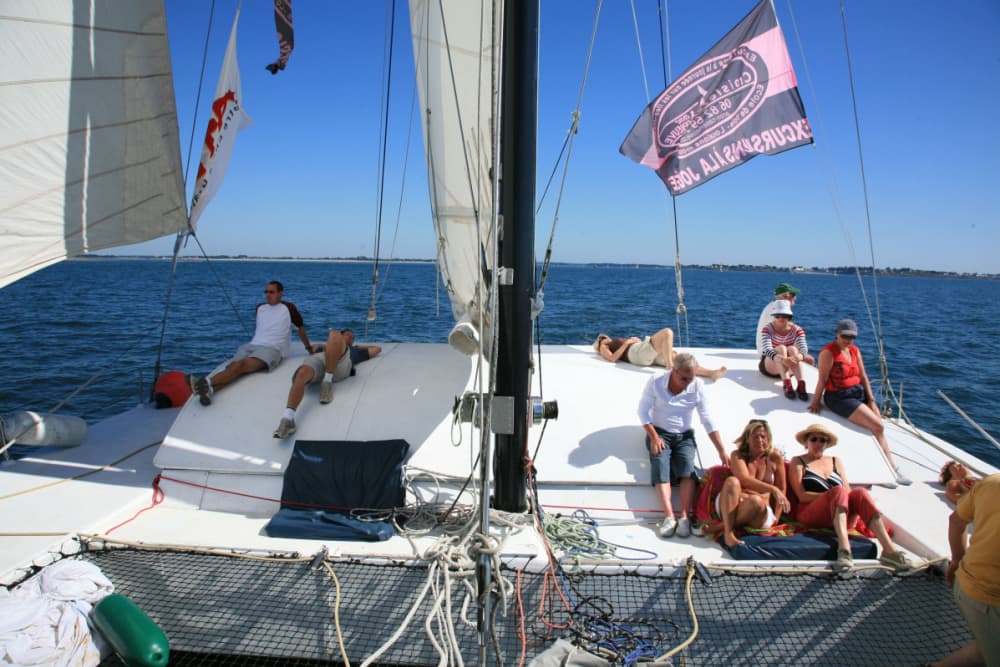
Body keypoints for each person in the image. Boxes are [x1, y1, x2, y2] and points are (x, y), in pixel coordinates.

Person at [788, 424, 913, 572]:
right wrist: (831, 496)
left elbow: (847, 490)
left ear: (827, 444)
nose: (818, 443)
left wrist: (837, 496)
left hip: (838, 512)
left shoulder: (835, 461)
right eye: (814, 439)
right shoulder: (798, 461)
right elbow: (802, 496)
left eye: (823, 440)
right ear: (806, 442)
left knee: (860, 492)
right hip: (811, 513)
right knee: (838, 491)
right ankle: (844, 549)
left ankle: (889, 550)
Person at [808, 319, 911, 486]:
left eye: (851, 337)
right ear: (837, 334)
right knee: (878, 426)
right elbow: (822, 379)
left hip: (857, 393)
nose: (848, 340)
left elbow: (863, 377)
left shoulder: (854, 351)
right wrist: (815, 402)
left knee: (877, 422)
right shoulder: (828, 352)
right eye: (845, 336)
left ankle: (887, 466)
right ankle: (889, 468)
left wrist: (871, 401)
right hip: (839, 397)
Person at [638, 352, 730, 539]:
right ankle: (669, 516)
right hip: (660, 432)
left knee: (688, 468)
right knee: (660, 463)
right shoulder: (656, 382)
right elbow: (643, 412)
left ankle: (685, 517)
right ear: (674, 370)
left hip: (685, 435)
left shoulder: (696, 386)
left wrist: (721, 450)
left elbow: (707, 419)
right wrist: (654, 437)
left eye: (691, 379)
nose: (687, 383)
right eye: (683, 378)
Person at [188, 281, 312, 406]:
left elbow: (300, 329)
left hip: (272, 349)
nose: (268, 295)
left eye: (272, 292)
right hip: (251, 345)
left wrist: (309, 348)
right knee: (233, 368)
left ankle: (205, 383)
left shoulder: (289, 308)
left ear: (280, 293)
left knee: (240, 366)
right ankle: (211, 390)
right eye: (266, 292)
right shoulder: (260, 308)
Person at [931, 473, 1000, 667]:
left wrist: (957, 561)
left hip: (964, 585)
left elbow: (956, 521)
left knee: (985, 647)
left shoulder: (992, 482)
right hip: (990, 600)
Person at [273, 329, 382, 438]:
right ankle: (288, 419)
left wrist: (358, 346)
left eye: (353, 337)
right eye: (348, 335)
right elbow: (313, 349)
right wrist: (323, 345)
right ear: (342, 335)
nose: (351, 337)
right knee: (301, 374)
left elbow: (377, 349)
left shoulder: (354, 350)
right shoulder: (323, 347)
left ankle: (327, 382)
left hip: (341, 364)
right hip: (320, 359)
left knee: (333, 333)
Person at [715, 419, 791, 548]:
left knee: (756, 501)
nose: (760, 440)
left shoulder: (775, 457)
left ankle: (720, 527)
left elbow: (782, 488)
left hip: (760, 509)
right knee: (732, 481)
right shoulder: (737, 455)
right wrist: (773, 489)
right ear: (747, 438)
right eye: (755, 437)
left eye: (763, 437)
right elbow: (744, 479)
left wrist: (776, 519)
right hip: (732, 504)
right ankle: (728, 533)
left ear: (769, 439)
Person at [594, 327, 726, 380]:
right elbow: (612, 358)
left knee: (678, 359)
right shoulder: (603, 346)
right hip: (635, 354)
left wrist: (633, 342)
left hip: (639, 351)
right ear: (600, 341)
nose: (607, 337)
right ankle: (670, 367)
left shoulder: (612, 343)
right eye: (603, 337)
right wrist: (627, 343)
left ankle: (710, 373)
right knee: (667, 332)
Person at [758, 300, 814, 400]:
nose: (781, 318)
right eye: (777, 315)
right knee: (781, 348)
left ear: (789, 316)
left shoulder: (797, 329)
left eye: (784, 315)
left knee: (793, 349)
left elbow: (804, 349)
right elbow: (767, 349)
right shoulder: (768, 329)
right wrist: (783, 359)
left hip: (789, 366)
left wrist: (798, 357)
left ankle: (801, 384)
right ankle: (787, 383)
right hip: (771, 365)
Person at [755, 282, 800, 354]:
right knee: (807, 359)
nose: (795, 298)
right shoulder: (778, 310)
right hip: (769, 352)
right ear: (785, 296)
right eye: (793, 295)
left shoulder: (773, 306)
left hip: (767, 349)